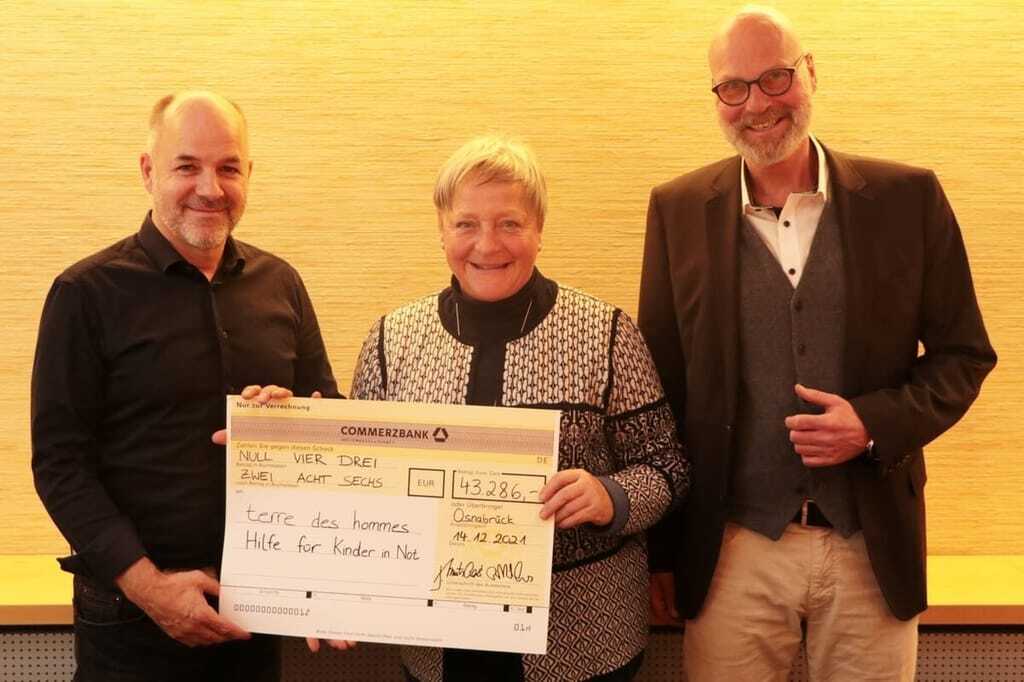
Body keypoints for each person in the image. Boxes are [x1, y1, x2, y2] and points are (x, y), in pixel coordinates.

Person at [639, 7, 997, 681]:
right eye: (733, 87)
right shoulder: (676, 209)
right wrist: (662, 551)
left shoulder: (908, 198)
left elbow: (965, 356)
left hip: (871, 544)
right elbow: (660, 391)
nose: (757, 104)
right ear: (716, 96)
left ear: (810, 72)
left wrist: (872, 423)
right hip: (732, 549)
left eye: (775, 77)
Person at [351, 135, 689, 681]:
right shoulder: (392, 340)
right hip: (437, 643)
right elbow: (358, 477)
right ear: (441, 230)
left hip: (580, 639)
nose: (487, 245)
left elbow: (668, 466)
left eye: (509, 223)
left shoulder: (605, 333)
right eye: (466, 224)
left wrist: (610, 496)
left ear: (539, 229)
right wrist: (283, 424)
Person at [31, 90, 339, 682]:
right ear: (149, 172)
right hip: (129, 621)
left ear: (249, 174)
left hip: (257, 614)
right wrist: (149, 588)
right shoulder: (85, 294)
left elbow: (330, 422)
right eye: (187, 166)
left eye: (228, 168)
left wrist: (294, 421)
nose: (210, 188)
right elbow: (60, 465)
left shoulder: (282, 284)